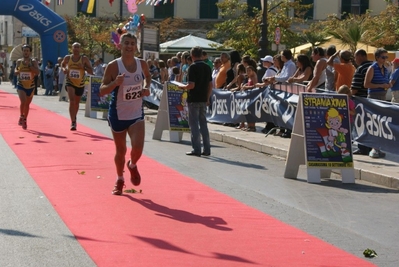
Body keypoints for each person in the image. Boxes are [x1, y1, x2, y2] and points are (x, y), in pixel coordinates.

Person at [99, 33, 151, 195]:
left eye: (132, 43)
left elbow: (148, 77)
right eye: (126, 43)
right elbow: (101, 91)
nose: (129, 46)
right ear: (120, 46)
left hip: (136, 113)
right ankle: (119, 179)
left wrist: (146, 86)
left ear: (136, 46)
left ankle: (133, 165)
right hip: (118, 114)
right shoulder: (114, 66)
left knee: (137, 147)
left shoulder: (141, 64)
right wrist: (115, 83)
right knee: (120, 150)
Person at [178, 46, 212, 157]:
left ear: (192, 56)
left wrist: (183, 87)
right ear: (201, 54)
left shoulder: (192, 67)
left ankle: (196, 149)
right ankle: (207, 148)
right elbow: (210, 85)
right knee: (203, 124)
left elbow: (191, 85)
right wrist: (207, 98)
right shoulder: (207, 67)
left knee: (194, 125)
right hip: (203, 98)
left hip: (193, 99)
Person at [364, 48, 391, 158]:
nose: (385, 59)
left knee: (381, 123)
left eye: (386, 57)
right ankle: (373, 148)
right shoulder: (372, 68)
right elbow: (366, 84)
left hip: (383, 97)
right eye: (383, 57)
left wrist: (387, 85)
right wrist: (381, 86)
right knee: (374, 123)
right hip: (374, 97)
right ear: (377, 58)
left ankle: (378, 148)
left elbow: (386, 81)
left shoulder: (385, 68)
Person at [61, 42, 93, 131]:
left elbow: (91, 71)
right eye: (74, 47)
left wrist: (83, 67)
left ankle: (74, 117)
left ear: (80, 49)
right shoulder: (68, 58)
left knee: (76, 103)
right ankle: (73, 122)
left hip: (80, 84)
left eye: (78, 47)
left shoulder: (84, 59)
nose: (76, 49)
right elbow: (63, 64)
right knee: (72, 101)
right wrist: (64, 69)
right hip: (70, 82)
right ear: (72, 48)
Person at [350, 49, 373, 155]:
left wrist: (348, 94)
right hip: (372, 101)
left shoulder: (361, 68)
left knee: (361, 125)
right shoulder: (374, 66)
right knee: (371, 126)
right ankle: (371, 147)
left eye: (355, 57)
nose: (355, 59)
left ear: (361, 56)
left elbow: (355, 88)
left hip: (361, 101)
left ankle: (363, 148)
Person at [14, 44, 40, 130]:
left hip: (31, 86)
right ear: (22, 51)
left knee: (27, 104)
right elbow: (16, 70)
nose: (26, 52)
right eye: (24, 51)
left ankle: (25, 119)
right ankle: (21, 115)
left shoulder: (33, 61)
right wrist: (17, 72)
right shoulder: (19, 61)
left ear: (30, 52)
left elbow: (37, 72)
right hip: (21, 84)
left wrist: (29, 66)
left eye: (27, 51)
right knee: (23, 101)